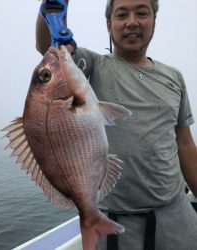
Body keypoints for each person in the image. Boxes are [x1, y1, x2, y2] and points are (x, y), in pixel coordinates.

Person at [36, 0, 197, 249]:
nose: (132, 22)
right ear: (109, 24)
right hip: (115, 223)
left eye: (142, 13)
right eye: (122, 14)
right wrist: (53, 7)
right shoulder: (92, 65)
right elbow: (49, 49)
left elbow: (185, 145)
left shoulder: (173, 77)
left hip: (176, 216)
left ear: (154, 20)